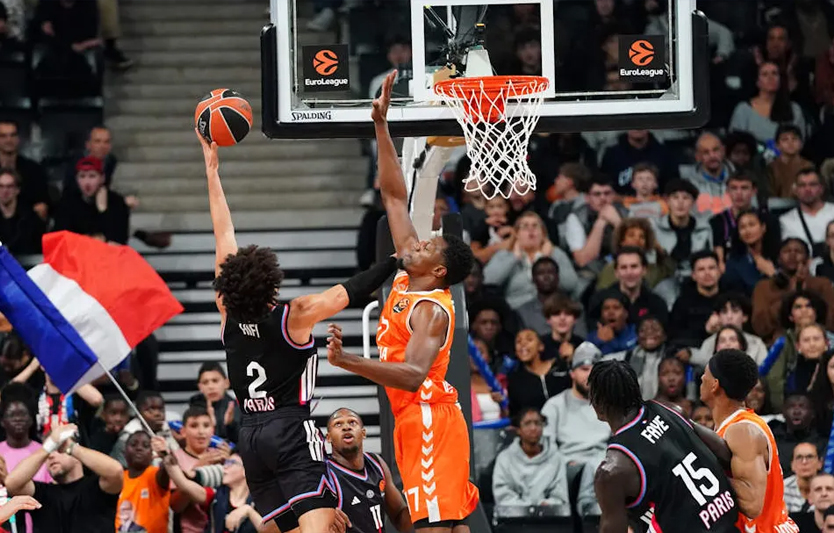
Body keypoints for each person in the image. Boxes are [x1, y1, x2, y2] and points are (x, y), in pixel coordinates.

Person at [198, 121, 399, 533]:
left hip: (251, 436)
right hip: (290, 427)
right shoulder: (294, 315)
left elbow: (223, 235)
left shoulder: (227, 310)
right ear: (272, 283)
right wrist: (395, 262)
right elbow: (351, 290)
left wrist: (211, 170)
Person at [326, 70, 479, 532]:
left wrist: (348, 361)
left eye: (430, 246)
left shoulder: (430, 308)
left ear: (439, 271)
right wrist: (380, 125)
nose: (420, 241)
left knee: (432, 525)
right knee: (452, 523)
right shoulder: (411, 271)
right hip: (421, 418)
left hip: (428, 417)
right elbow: (394, 196)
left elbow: (413, 375)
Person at [589, 360, 739, 533]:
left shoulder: (612, 470)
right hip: (730, 522)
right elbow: (724, 452)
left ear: (598, 406)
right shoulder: (670, 409)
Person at [700, 349, 799, 533]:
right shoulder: (734, 426)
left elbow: (752, 504)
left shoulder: (742, 431)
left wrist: (700, 471)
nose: (701, 378)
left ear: (715, 385)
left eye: (705, 374)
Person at [5, 423, 124, 533]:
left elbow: (116, 472)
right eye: (49, 452)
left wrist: (71, 447)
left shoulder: (98, 487)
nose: (51, 456)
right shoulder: (42, 493)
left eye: (57, 449)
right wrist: (47, 448)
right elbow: (12, 483)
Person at [325, 408, 412, 532]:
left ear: (363, 433)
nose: (346, 427)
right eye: (338, 424)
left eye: (352, 422)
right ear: (328, 437)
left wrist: (421, 505)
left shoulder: (377, 463)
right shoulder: (323, 471)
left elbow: (399, 515)